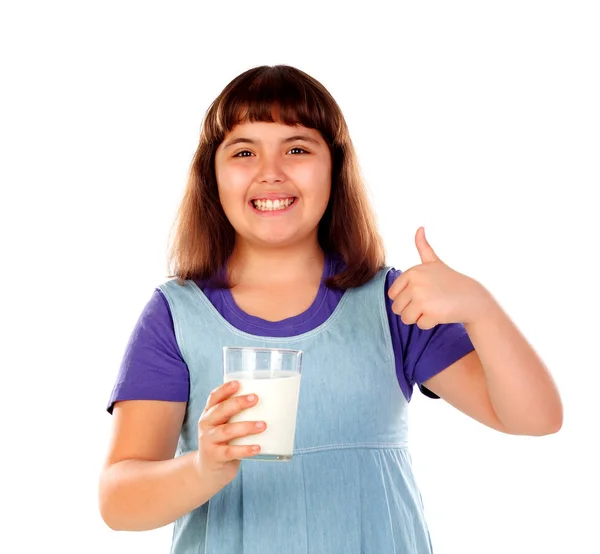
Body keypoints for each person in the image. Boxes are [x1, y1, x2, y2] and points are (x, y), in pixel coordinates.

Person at [99, 65, 563, 553]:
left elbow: (535, 418)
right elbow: (117, 500)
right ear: (212, 176)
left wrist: (480, 310)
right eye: (243, 152)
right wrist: (202, 467)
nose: (270, 171)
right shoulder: (176, 316)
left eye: (297, 149)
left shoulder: (392, 304)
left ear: (335, 168)